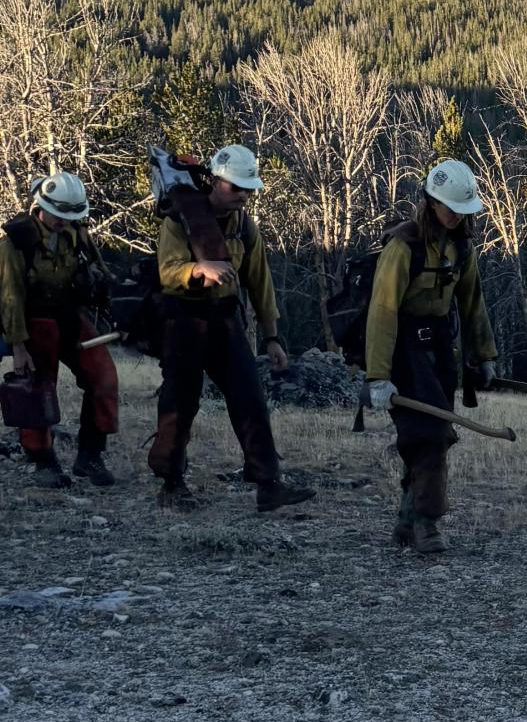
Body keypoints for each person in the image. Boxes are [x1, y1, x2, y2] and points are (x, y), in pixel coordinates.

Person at [148, 144, 313, 513]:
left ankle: (268, 484)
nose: (244, 195)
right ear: (215, 181)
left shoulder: (244, 226)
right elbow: (167, 272)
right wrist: (197, 271)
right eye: (237, 187)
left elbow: (260, 282)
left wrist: (272, 337)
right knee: (180, 404)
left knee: (250, 398)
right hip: (183, 321)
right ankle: (171, 483)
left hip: (225, 320)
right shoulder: (178, 221)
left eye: (248, 189)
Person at [363, 158, 497, 557]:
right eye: (449, 208)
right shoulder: (402, 246)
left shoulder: (462, 248)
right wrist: (378, 376)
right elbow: (382, 311)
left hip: (439, 350)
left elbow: (473, 304)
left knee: (427, 437)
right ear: (431, 202)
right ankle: (426, 522)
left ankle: (407, 520)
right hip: (403, 349)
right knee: (431, 434)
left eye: (462, 209)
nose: (456, 216)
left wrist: (483, 356)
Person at [0, 172, 119, 488]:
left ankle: (91, 455)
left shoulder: (78, 234)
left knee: (103, 376)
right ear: (42, 205)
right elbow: (10, 296)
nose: (63, 221)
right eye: (59, 214)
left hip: (69, 315)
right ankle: (42, 460)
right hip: (33, 320)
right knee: (38, 391)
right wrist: (18, 347)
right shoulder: (15, 243)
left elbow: (99, 271)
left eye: (71, 215)